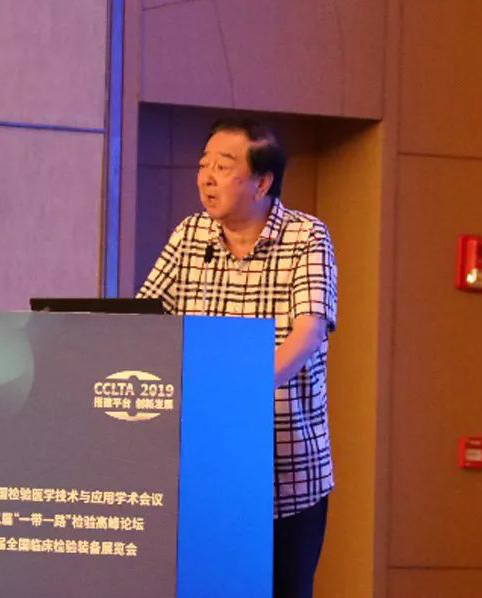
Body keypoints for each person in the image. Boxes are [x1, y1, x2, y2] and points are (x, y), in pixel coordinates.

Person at [137, 117, 337, 598]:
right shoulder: (190, 236)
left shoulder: (306, 237)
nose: (205, 178)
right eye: (202, 164)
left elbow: (309, 330)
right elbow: (142, 320)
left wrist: (240, 393)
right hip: (203, 468)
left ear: (262, 182)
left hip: (287, 473)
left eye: (222, 167)